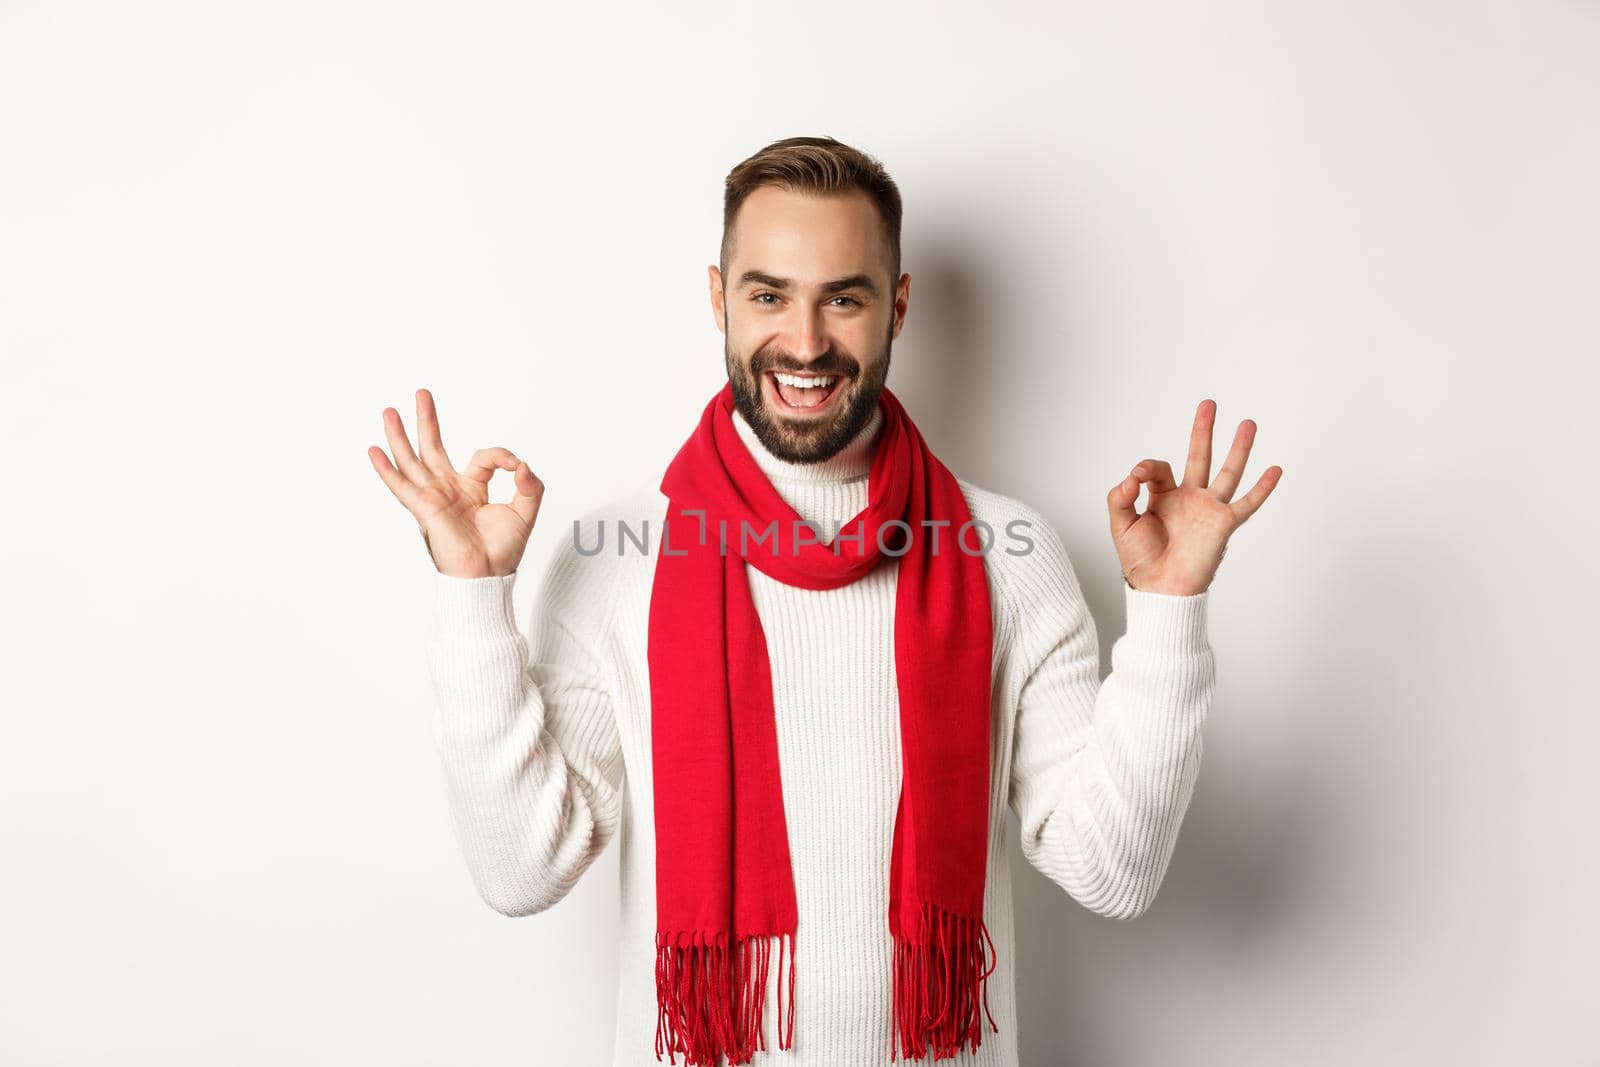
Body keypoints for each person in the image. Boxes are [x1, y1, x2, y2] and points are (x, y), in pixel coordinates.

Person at [368, 135, 1281, 1067]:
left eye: (843, 298)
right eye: (769, 295)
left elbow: (1112, 872)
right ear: (720, 298)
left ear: (899, 307)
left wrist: (1169, 612)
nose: (805, 345)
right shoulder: (620, 562)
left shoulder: (1008, 554)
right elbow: (521, 870)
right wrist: (473, 597)